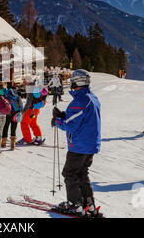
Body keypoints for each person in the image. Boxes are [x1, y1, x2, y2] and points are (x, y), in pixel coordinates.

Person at [51, 69, 101, 217]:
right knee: (81, 173)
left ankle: (75, 204)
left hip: (79, 145)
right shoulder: (92, 97)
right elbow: (81, 117)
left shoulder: (80, 101)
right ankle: (89, 204)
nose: (71, 83)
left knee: (69, 173)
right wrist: (64, 115)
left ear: (78, 82)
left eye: (72, 80)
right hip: (90, 144)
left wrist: (58, 120)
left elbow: (70, 125)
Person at [16, 76, 47, 146]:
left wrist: (24, 111)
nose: (24, 82)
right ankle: (38, 138)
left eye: (25, 81)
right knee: (33, 123)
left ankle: (27, 139)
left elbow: (29, 101)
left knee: (24, 123)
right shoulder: (36, 86)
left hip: (30, 110)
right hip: (36, 109)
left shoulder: (30, 88)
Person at [0, 82, 23, 151]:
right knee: (13, 128)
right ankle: (13, 145)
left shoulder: (4, 92)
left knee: (5, 127)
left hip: (8, 112)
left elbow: (0, 98)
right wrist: (20, 111)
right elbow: (20, 103)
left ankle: (3, 143)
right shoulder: (16, 93)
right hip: (16, 112)